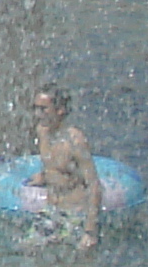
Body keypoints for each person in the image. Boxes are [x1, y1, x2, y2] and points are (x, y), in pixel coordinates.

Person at [26, 83, 107, 251]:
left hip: (74, 213)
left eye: (43, 109)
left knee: (68, 261)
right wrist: (44, 175)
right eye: (35, 108)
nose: (37, 114)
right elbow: (56, 165)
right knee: (28, 249)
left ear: (60, 110)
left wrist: (90, 231)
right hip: (51, 210)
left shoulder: (75, 141)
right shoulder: (42, 131)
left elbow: (93, 185)